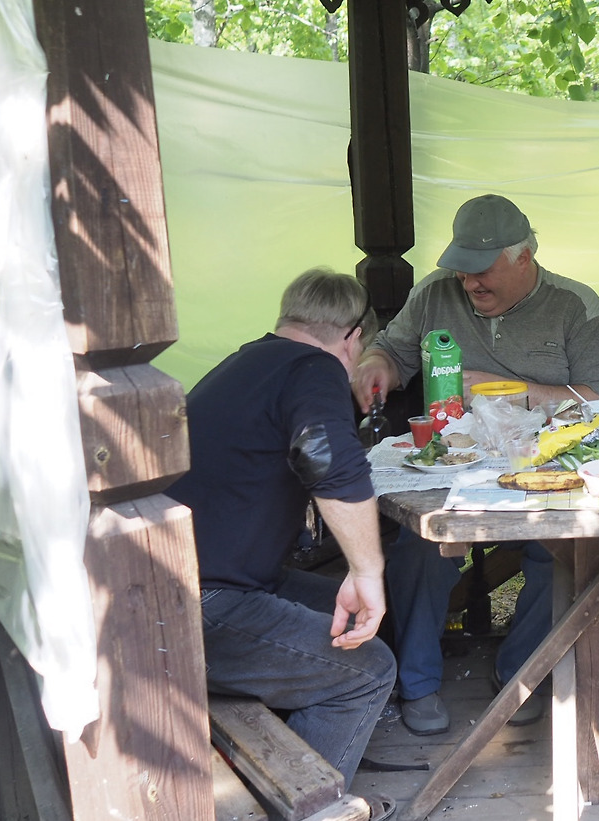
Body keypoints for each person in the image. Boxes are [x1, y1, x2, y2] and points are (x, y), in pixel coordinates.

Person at [351, 194, 599, 735]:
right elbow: (393, 351)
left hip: (543, 464)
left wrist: (510, 391)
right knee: (420, 547)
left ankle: (521, 670)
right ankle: (417, 683)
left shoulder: (575, 305)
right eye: (462, 268)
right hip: (450, 462)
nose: (469, 282)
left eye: (482, 270)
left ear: (524, 258)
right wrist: (376, 365)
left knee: (561, 551)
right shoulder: (434, 292)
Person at [166, 269, 397, 792]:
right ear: (353, 337)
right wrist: (366, 569)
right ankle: (311, 803)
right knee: (368, 671)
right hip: (205, 601)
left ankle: (306, 753)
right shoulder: (315, 368)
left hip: (186, 581)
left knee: (353, 619)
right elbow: (327, 457)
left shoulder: (247, 360)